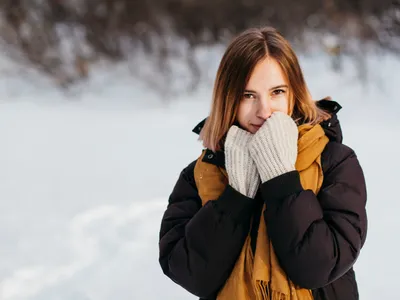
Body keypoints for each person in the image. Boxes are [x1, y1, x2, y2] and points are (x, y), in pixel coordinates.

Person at [158, 26, 367, 300]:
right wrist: (237, 195)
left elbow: (317, 268)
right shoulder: (201, 173)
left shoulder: (334, 162)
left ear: (294, 92)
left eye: (277, 92)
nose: (264, 111)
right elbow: (192, 274)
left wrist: (281, 177)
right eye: (248, 95)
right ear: (228, 99)